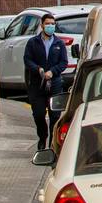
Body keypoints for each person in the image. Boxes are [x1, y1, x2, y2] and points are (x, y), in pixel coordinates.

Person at [24, 12, 69, 152]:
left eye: (52, 24)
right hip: (37, 85)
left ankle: (52, 144)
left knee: (55, 115)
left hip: (54, 84)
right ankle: (42, 137)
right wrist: (38, 70)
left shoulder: (59, 43)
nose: (50, 26)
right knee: (38, 114)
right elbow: (27, 60)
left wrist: (53, 72)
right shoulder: (33, 42)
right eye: (47, 24)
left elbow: (64, 62)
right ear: (42, 25)